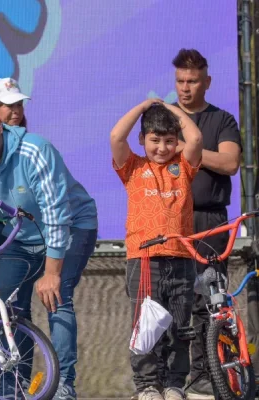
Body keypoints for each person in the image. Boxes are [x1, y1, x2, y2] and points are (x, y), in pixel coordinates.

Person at [0, 102, 98, 400]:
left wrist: (52, 272)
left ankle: (63, 386)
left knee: (57, 296)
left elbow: (57, 213)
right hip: (20, 235)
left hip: (72, 226)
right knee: (5, 306)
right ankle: (13, 386)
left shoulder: (34, 150)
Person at [111, 99, 203, 400]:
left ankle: (175, 384)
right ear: (142, 139)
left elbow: (197, 139)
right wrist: (143, 107)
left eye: (168, 141)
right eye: (154, 140)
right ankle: (147, 386)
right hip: (144, 258)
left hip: (181, 258)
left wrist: (172, 110)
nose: (162, 148)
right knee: (146, 325)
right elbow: (116, 137)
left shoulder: (184, 168)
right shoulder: (133, 167)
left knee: (179, 325)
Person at [170, 49, 242, 400]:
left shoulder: (222, 120)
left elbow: (230, 163)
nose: (185, 88)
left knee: (210, 299)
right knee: (173, 299)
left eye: (192, 81)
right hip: (171, 219)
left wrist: (188, 148)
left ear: (207, 82)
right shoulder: (164, 118)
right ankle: (173, 377)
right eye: (180, 81)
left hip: (210, 219)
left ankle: (211, 372)